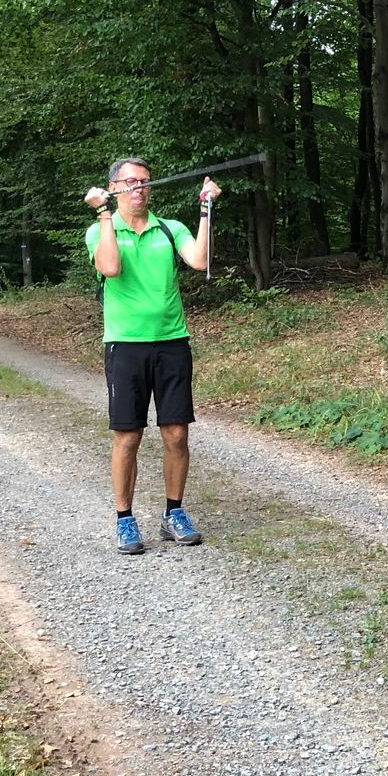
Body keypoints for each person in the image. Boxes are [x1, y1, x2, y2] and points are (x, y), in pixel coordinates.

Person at [82, 158, 222, 555]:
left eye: (144, 182)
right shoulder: (101, 230)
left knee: (176, 434)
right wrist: (104, 213)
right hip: (125, 346)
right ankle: (124, 519)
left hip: (172, 343)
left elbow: (199, 260)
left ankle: (173, 513)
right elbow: (110, 268)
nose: (139, 188)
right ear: (113, 188)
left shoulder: (169, 228)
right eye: (130, 182)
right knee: (128, 436)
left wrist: (206, 209)